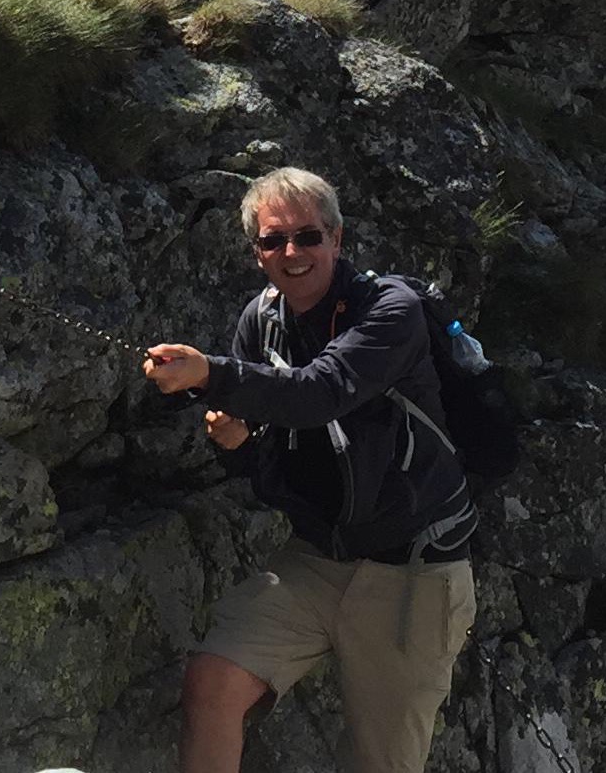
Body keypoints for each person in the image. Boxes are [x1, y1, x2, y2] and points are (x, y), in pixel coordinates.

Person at [142, 167, 478, 773]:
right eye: (273, 241)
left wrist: (209, 373)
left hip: (415, 569)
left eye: (308, 236)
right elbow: (268, 453)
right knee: (214, 680)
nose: (292, 253)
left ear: (337, 239)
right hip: (319, 556)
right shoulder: (260, 321)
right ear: (256, 252)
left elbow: (319, 393)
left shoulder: (390, 310)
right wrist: (237, 443)